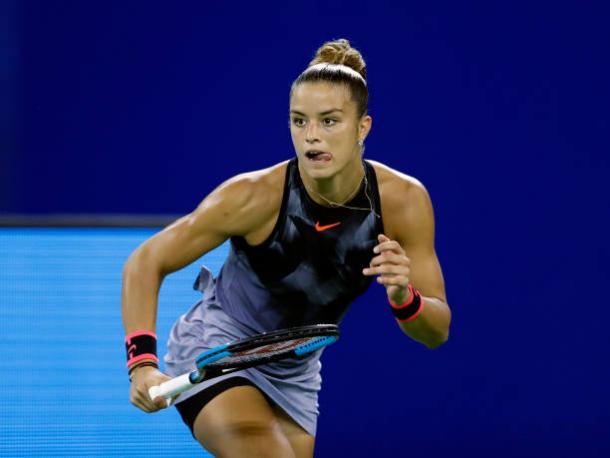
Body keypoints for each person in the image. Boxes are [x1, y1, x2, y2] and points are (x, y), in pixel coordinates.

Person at [122, 38, 452, 458]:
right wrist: (142, 365)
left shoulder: (403, 202)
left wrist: (405, 298)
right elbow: (145, 261)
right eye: (299, 121)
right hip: (217, 346)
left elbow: (436, 332)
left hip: (295, 370)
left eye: (329, 121)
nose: (311, 137)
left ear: (363, 126)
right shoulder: (252, 196)